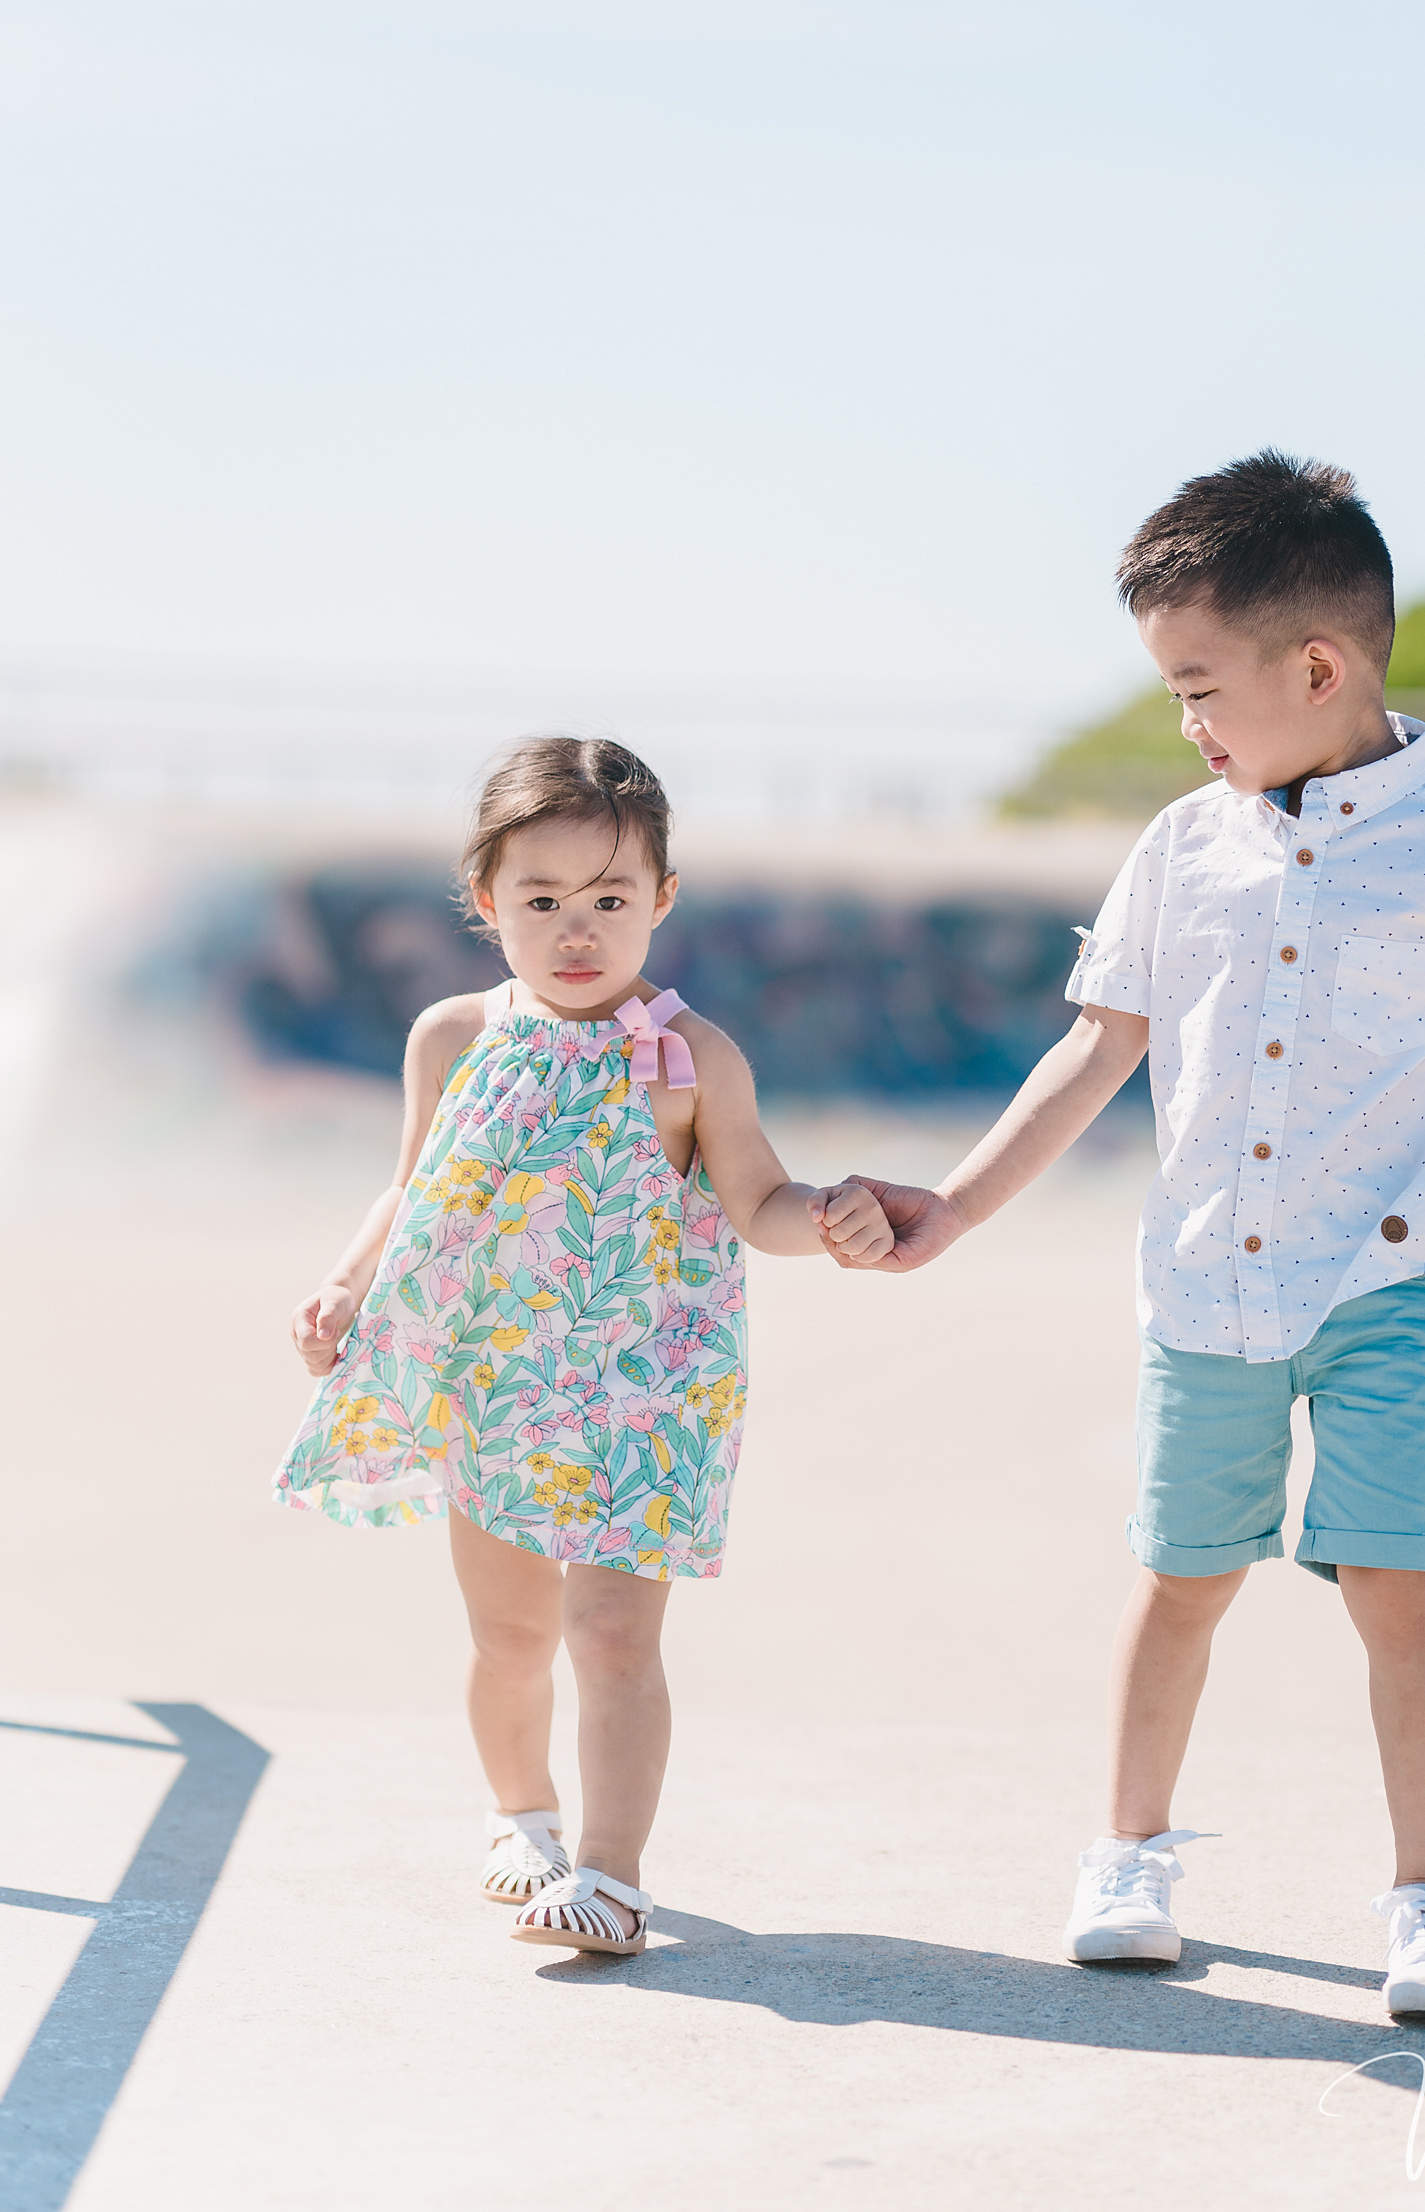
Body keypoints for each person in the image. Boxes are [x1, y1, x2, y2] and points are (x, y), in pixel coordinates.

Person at [822, 452, 1425, 2022]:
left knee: (1398, 1586)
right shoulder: (1186, 844)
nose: (1189, 723)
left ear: (1319, 666)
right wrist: (951, 1208)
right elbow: (1093, 1053)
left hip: (1386, 1290)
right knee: (1180, 1576)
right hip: (1205, 1287)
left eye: (1196, 686)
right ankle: (1130, 1856)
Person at [275, 736, 893, 1954]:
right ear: (485, 903)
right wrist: (346, 1286)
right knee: (508, 1637)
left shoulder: (690, 1052)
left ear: (662, 900)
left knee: (613, 1636)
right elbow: (409, 1189)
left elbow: (757, 1201)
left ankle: (611, 1878)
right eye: (541, 899)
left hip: (644, 1393)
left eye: (610, 899)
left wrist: (828, 1220)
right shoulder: (453, 1037)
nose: (576, 929)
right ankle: (522, 1818)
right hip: (492, 1378)